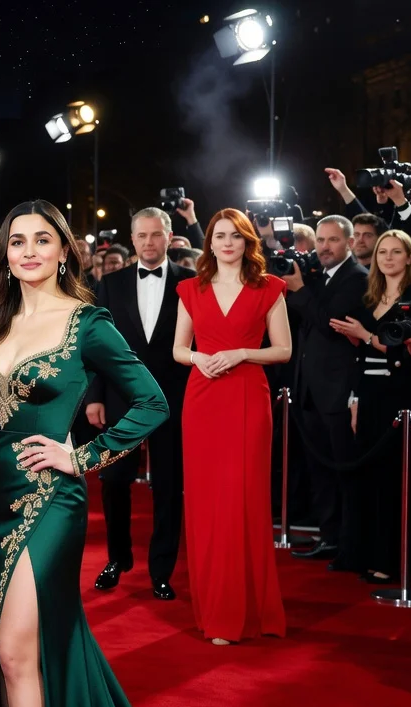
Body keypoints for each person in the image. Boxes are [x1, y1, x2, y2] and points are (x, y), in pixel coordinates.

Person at [0, 200, 235, 707]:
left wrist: (84, 456)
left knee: (14, 650)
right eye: (18, 241)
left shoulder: (87, 323)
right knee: (4, 652)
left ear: (62, 252)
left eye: (42, 241)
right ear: (5, 253)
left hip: (48, 501)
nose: (29, 251)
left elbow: (153, 402)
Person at [173, 208, 292, 645]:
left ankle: (251, 611)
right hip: (202, 399)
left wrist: (242, 353)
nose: (226, 243)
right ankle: (216, 610)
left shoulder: (269, 289)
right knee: (206, 503)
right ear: (209, 242)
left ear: (247, 242)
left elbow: (282, 350)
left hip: (246, 397)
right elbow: (177, 349)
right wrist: (199, 358)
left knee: (244, 499)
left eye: (235, 236)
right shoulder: (191, 288)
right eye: (219, 236)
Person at [85, 208, 195, 600]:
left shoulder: (191, 283)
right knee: (114, 482)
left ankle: (161, 569)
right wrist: (95, 397)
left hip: (174, 398)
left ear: (169, 236)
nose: (149, 242)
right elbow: (95, 347)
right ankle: (117, 559)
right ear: (132, 239)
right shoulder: (110, 284)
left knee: (169, 485)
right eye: (142, 236)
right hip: (119, 398)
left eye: (156, 235)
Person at [327, 231, 411, 582]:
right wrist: (354, 399)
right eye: (383, 251)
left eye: (396, 251)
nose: (387, 257)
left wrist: (368, 336)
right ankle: (368, 554)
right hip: (368, 394)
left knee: (397, 481)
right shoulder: (369, 298)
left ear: (409, 257)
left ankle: (395, 560)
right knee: (369, 479)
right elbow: (359, 357)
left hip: (402, 396)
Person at [284, 216, 370, 565]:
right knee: (320, 472)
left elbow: (330, 323)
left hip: (338, 390)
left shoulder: (357, 278)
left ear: (350, 243)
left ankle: (349, 545)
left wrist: (300, 291)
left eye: (332, 240)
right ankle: (330, 537)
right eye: (320, 240)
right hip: (311, 389)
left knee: (344, 472)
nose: (323, 247)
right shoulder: (318, 276)